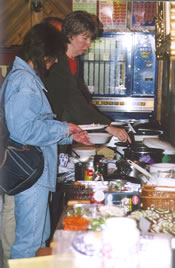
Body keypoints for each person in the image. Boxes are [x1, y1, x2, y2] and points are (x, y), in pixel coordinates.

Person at [0, 22, 91, 261]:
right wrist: (63, 128)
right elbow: (23, 130)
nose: (56, 61)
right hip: (32, 172)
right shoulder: (25, 83)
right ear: (43, 55)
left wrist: (68, 133)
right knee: (29, 244)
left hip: (36, 170)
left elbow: (34, 123)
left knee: (39, 242)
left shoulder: (24, 78)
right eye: (53, 57)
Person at [44, 10, 131, 144]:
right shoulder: (58, 61)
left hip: (64, 129)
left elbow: (82, 96)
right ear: (69, 36)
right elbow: (72, 99)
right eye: (85, 38)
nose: (89, 44)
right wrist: (107, 126)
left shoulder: (75, 60)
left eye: (90, 39)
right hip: (50, 130)